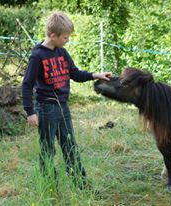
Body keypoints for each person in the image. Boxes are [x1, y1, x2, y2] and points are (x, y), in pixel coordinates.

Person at [21, 11, 111, 190]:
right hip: (46, 108)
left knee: (70, 146)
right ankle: (48, 184)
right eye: (65, 37)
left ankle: (81, 184)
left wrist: (95, 75)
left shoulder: (62, 52)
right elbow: (26, 85)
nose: (67, 40)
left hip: (63, 107)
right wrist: (30, 112)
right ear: (52, 35)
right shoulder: (37, 56)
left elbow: (75, 74)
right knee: (48, 148)